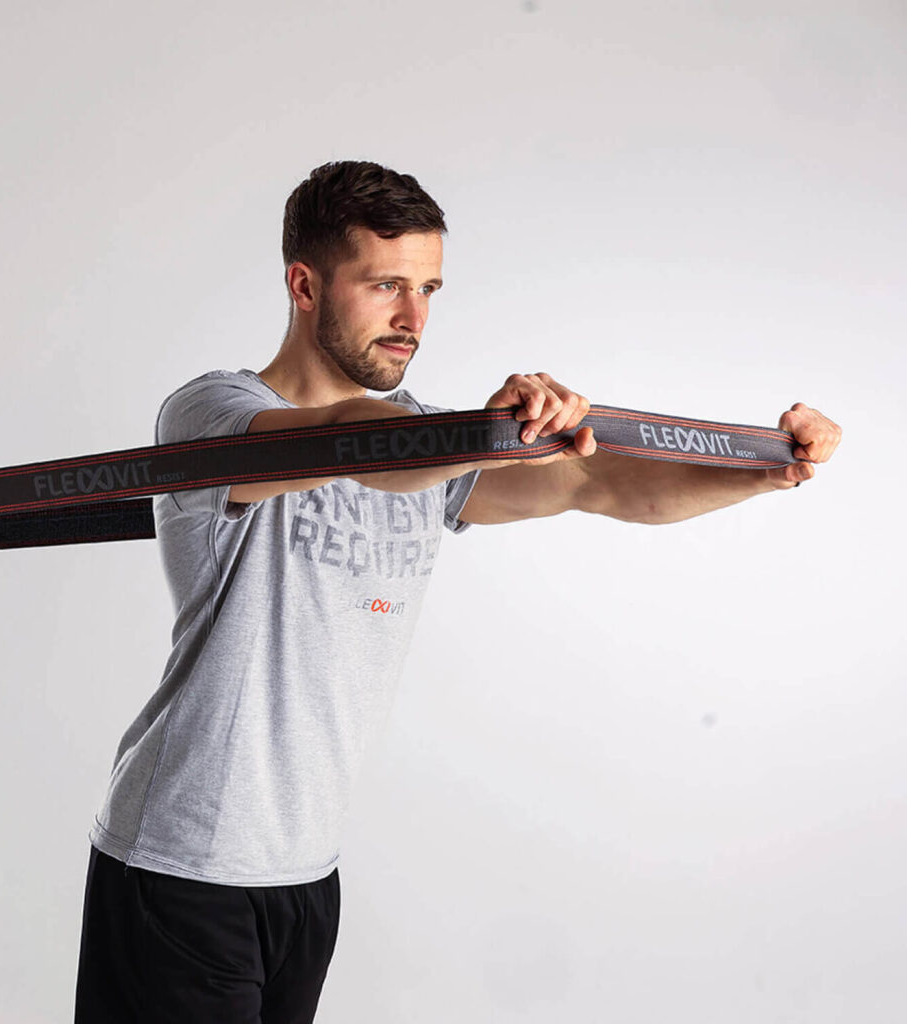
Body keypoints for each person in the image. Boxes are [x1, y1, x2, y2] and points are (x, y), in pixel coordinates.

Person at [73, 161, 841, 1023]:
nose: (413, 319)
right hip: (182, 864)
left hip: (305, 874)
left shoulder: (429, 449)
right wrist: (483, 432)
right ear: (305, 285)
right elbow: (348, 438)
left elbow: (601, 485)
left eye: (429, 289)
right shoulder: (213, 415)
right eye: (386, 286)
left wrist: (768, 471)